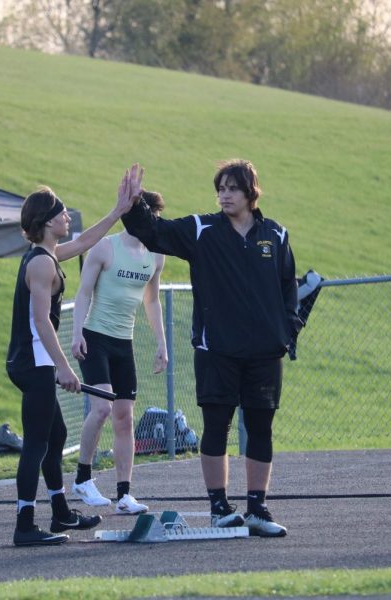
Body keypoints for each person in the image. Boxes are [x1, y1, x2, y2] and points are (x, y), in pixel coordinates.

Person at [121, 159, 299, 537]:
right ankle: (219, 508)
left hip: (265, 353)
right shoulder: (201, 230)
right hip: (216, 350)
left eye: (232, 188)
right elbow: (153, 232)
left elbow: (289, 290)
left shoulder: (276, 235)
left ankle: (258, 508)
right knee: (217, 426)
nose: (224, 195)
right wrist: (134, 204)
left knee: (261, 427)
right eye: (220, 188)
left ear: (251, 192)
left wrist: (287, 330)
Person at [6, 164, 142, 547]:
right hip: (33, 363)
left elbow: (84, 244)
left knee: (56, 434)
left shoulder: (48, 255)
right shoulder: (39, 263)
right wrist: (64, 368)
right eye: (62, 212)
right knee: (36, 442)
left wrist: (118, 210)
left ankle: (61, 511)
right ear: (47, 222)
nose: (68, 217)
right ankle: (24, 525)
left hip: (38, 361)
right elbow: (40, 322)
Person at [70, 190, 168, 514]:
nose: (152, 222)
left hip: (123, 343)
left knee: (125, 418)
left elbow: (151, 300)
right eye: (148, 215)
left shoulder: (155, 255)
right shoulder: (105, 247)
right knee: (101, 410)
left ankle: (124, 495)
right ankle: (82, 478)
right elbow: (83, 292)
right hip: (95, 338)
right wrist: (76, 333)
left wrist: (161, 343)